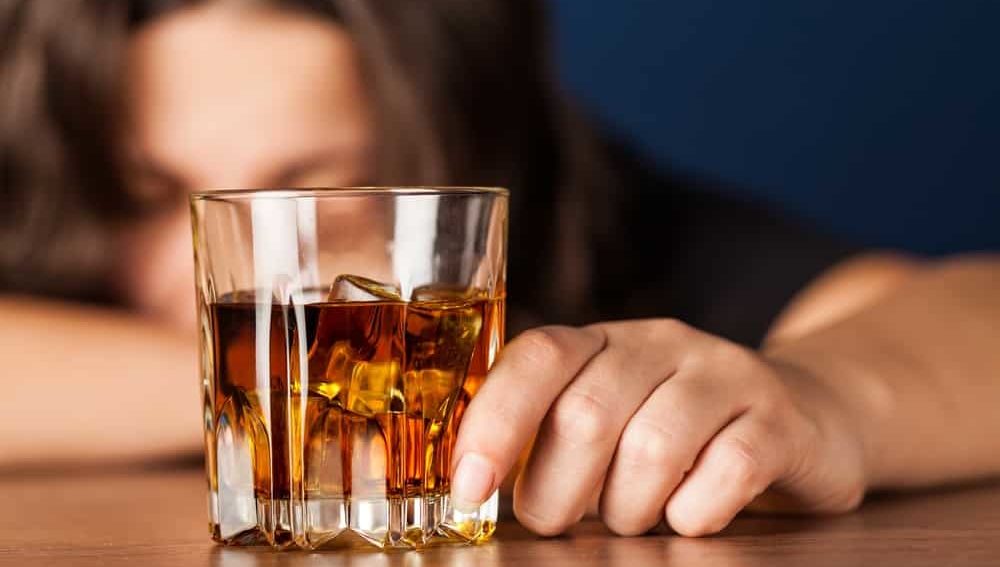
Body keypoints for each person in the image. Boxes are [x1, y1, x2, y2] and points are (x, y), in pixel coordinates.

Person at [1, 0, 998, 538]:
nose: (243, 263)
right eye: (142, 193)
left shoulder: (589, 209)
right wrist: (354, 386)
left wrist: (823, 397)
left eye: (313, 185)